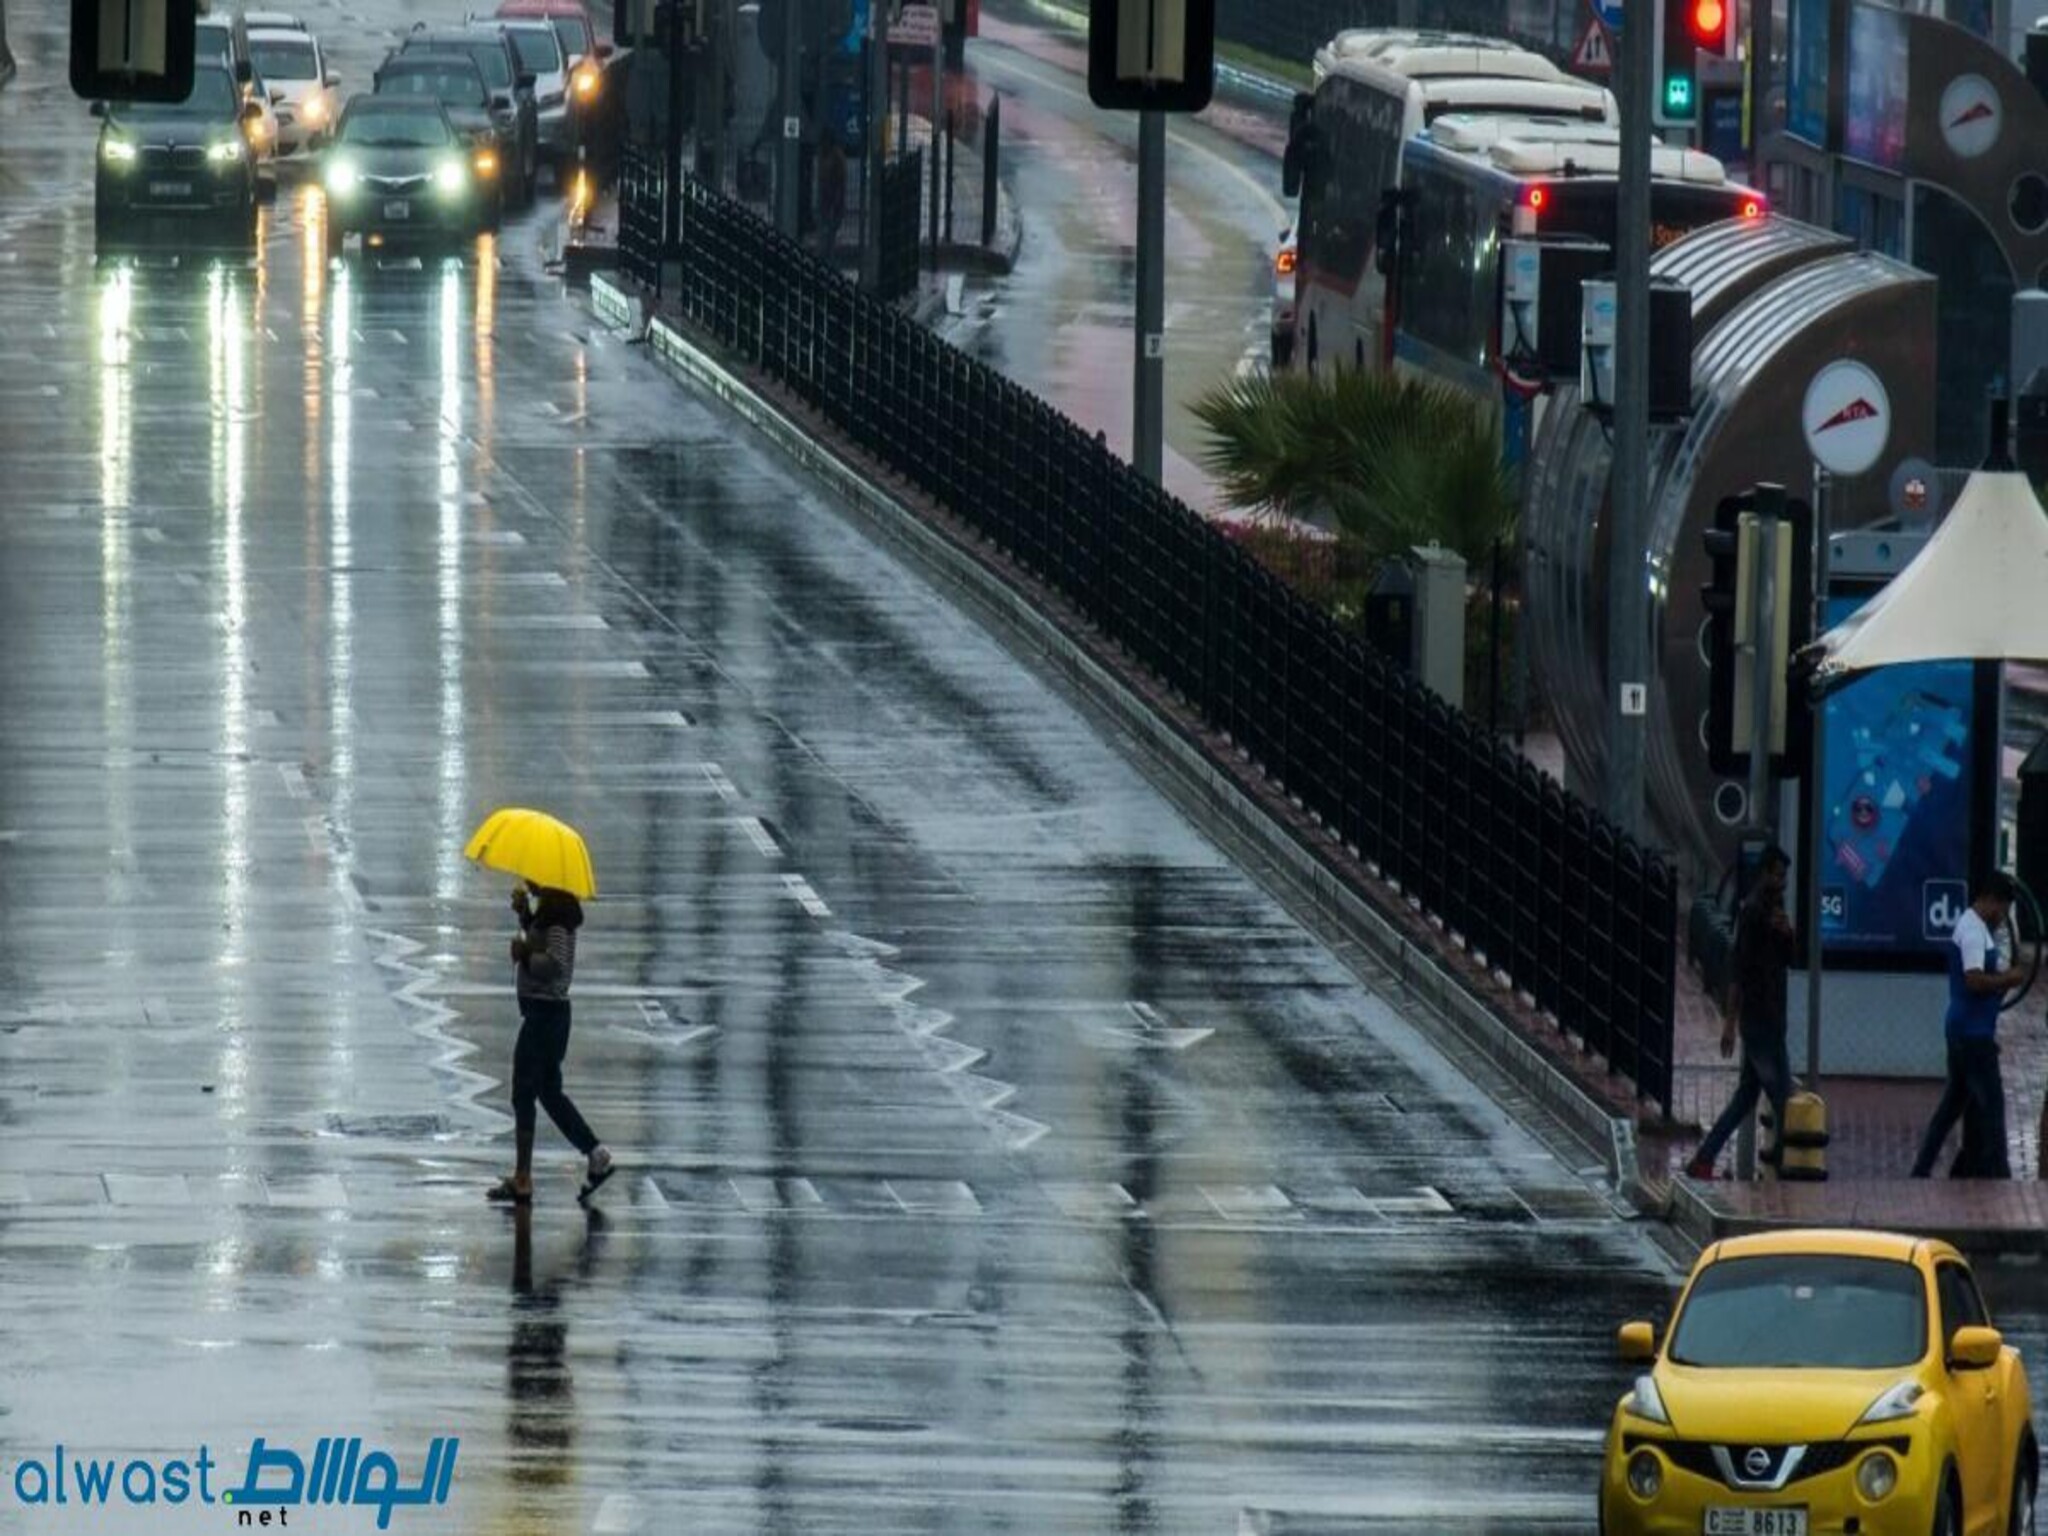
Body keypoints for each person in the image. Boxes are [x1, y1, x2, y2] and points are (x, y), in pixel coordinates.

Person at [488, 882, 616, 1204]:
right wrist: (525, 916)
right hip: (547, 1016)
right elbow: (539, 942)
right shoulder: (550, 912)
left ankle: (523, 1178)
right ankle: (595, 1153)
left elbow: (554, 966)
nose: (528, 881)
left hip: (546, 1017)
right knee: (548, 1093)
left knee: (523, 1092)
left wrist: (525, 954)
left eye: (533, 878)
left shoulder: (559, 919)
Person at [1687, 846, 1796, 1180]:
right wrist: (1731, 1024)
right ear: (1764, 873)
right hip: (1759, 1018)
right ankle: (1786, 1163)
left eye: (1783, 876)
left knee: (1747, 1097)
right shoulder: (1750, 913)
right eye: (1776, 874)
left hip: (1773, 1016)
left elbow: (1789, 958)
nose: (1781, 882)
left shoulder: (1775, 911)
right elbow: (1739, 970)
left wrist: (1787, 933)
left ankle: (1704, 1159)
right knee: (1781, 1095)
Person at [1911, 872, 2027, 1179]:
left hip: (1964, 1030)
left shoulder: (1969, 924)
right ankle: (2000, 1176)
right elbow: (1974, 980)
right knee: (1992, 1108)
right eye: (2002, 910)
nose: (2002, 918)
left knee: (1953, 1106)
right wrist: (2009, 979)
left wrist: (2001, 983)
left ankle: (1934, 1170)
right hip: (1973, 1036)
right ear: (1991, 900)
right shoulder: (1974, 931)